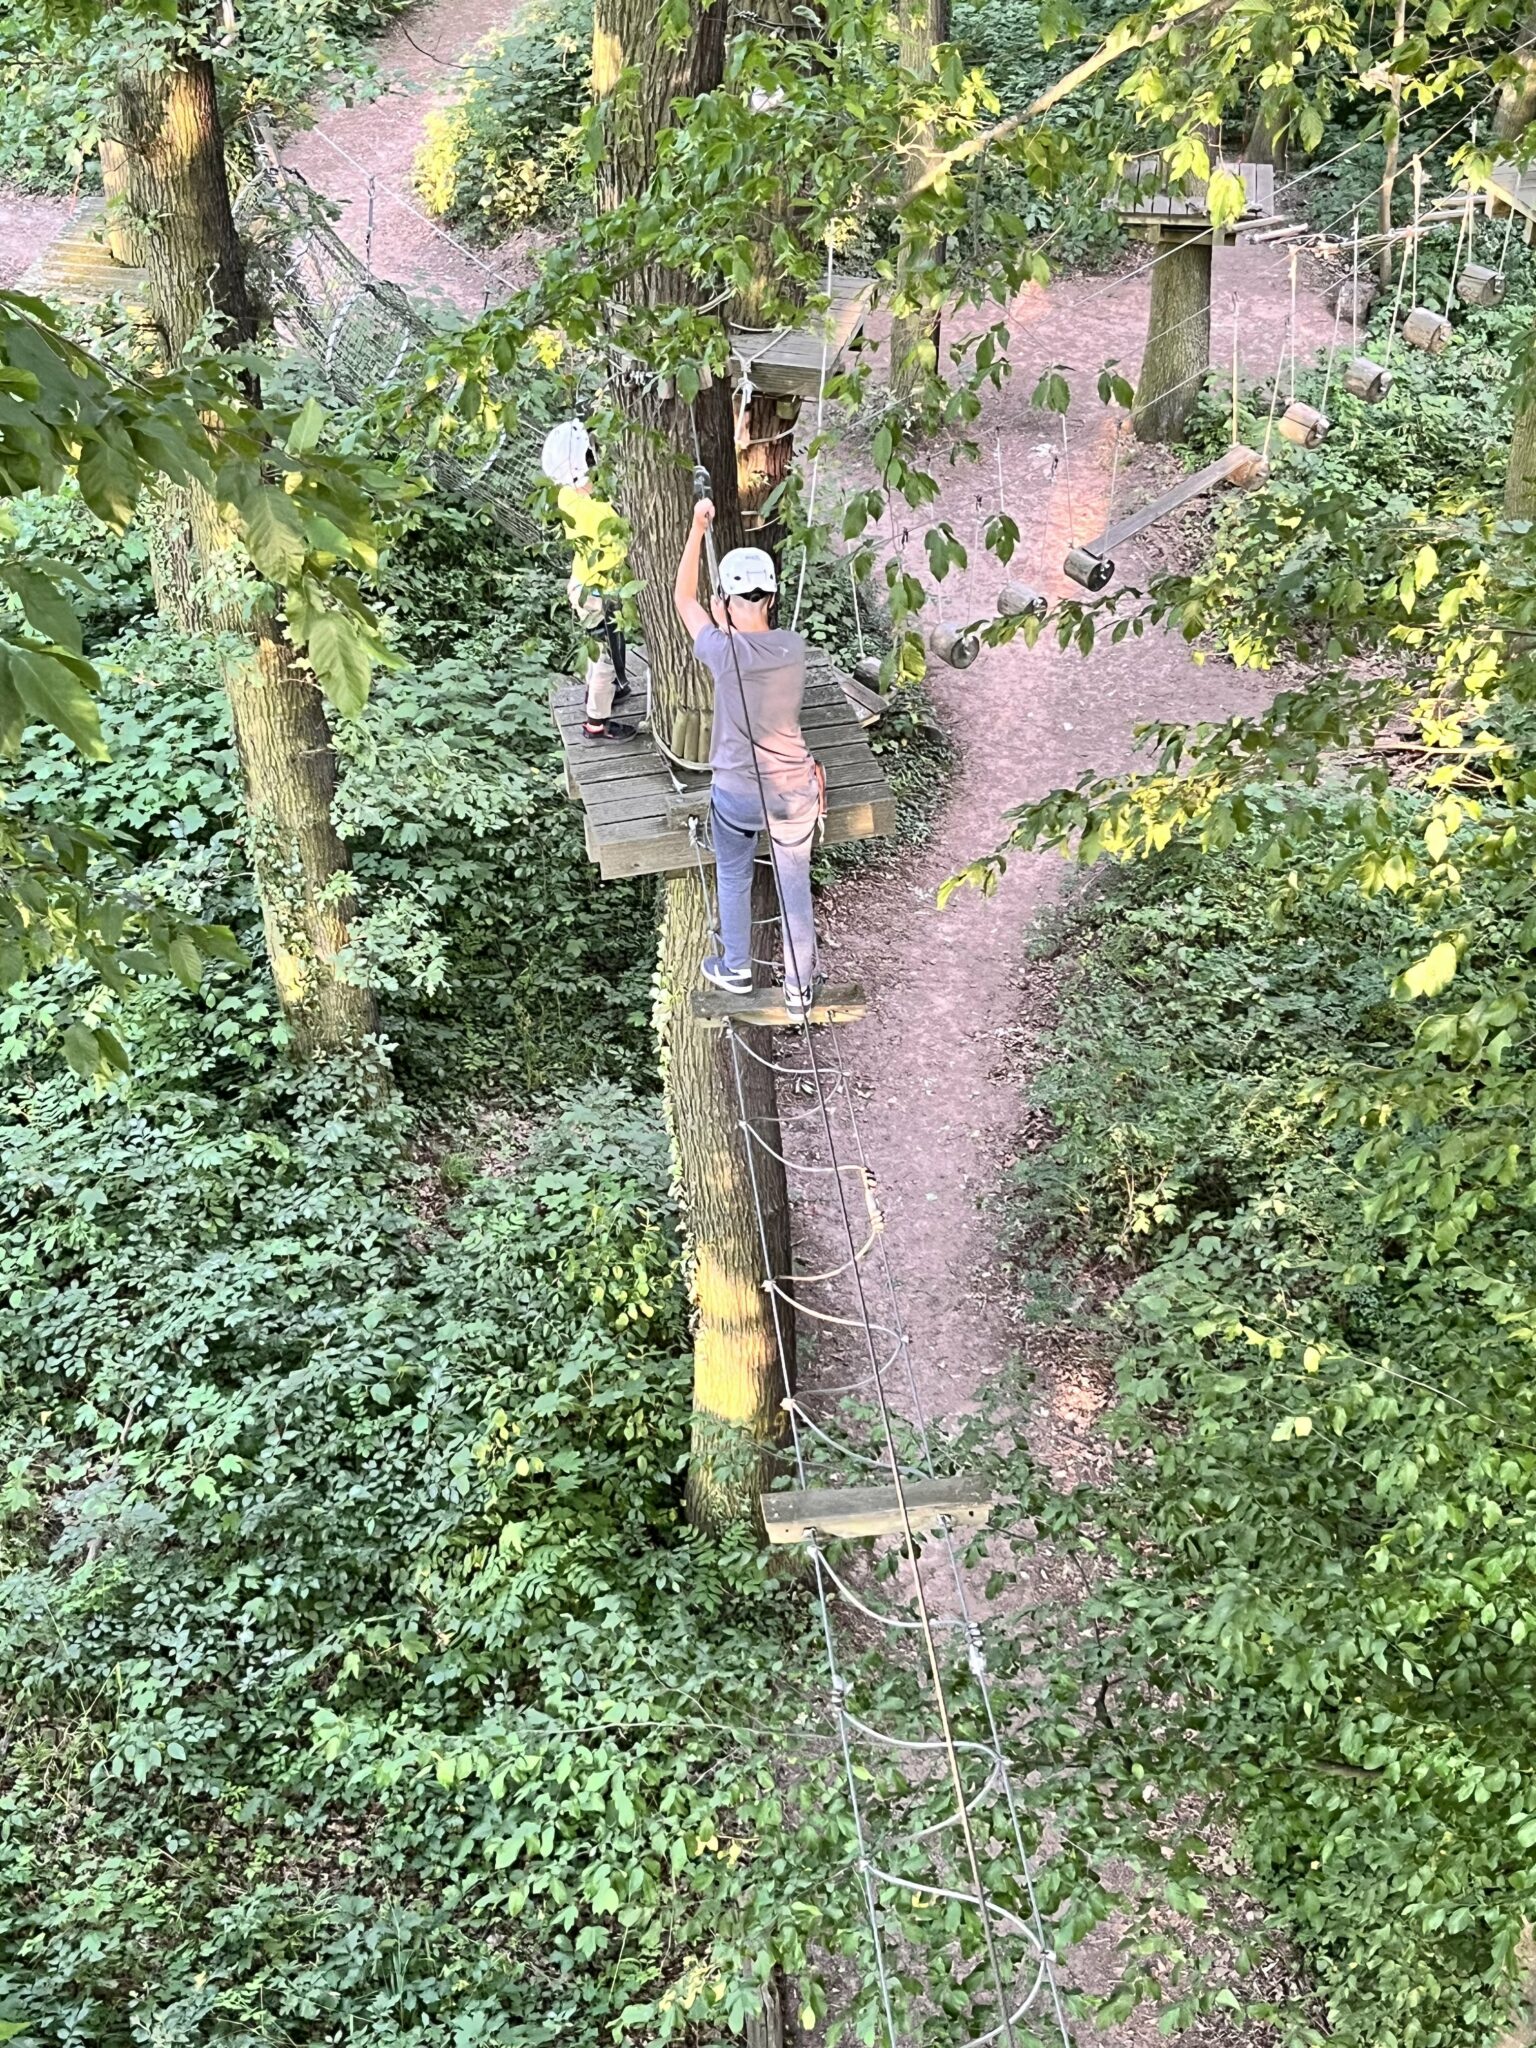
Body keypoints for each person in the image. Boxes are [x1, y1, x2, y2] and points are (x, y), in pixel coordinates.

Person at [673, 496, 825, 1021]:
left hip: (738, 794)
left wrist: (698, 529)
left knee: (734, 873)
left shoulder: (722, 650)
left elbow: (682, 598)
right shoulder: (793, 647)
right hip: (794, 794)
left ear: (726, 599)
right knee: (793, 887)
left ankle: (736, 966)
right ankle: (799, 987)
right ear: (773, 598)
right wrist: (730, 625)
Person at [541, 419, 635, 742]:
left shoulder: (567, 497)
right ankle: (597, 721)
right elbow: (623, 543)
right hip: (598, 594)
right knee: (605, 657)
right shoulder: (600, 512)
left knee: (602, 648)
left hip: (583, 585)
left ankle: (610, 691)